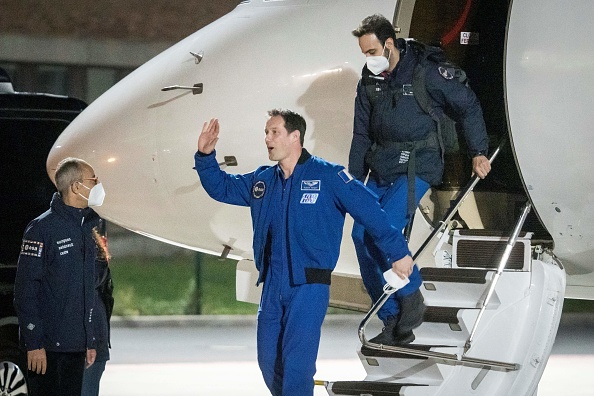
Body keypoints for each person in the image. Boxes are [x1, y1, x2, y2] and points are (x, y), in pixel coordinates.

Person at [194, 109, 414, 396]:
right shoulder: (263, 181)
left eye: (274, 132)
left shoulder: (328, 176)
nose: (267, 139)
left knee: (297, 367)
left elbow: (370, 211)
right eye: (266, 132)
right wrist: (205, 156)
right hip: (272, 286)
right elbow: (222, 187)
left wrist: (398, 252)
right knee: (268, 361)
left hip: (309, 286)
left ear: (294, 136)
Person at [349, 14, 492, 345]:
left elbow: (467, 105)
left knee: (382, 227)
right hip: (382, 165)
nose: (368, 59)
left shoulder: (426, 72)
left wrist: (478, 151)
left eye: (371, 51)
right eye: (363, 53)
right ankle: (392, 319)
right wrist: (352, 184)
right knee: (360, 235)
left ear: (388, 44)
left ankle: (411, 296)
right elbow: (360, 134)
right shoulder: (369, 82)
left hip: (418, 164)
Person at [13, 157, 106, 396]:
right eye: (93, 180)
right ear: (76, 187)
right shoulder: (42, 229)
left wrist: (90, 341)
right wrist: (34, 344)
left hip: (76, 348)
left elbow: (86, 290)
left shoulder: (87, 226)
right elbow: (26, 290)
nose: (98, 185)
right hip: (47, 350)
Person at [82, 228, 114, 396]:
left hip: (90, 341)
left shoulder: (86, 244)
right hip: (93, 338)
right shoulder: (91, 243)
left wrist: (90, 342)